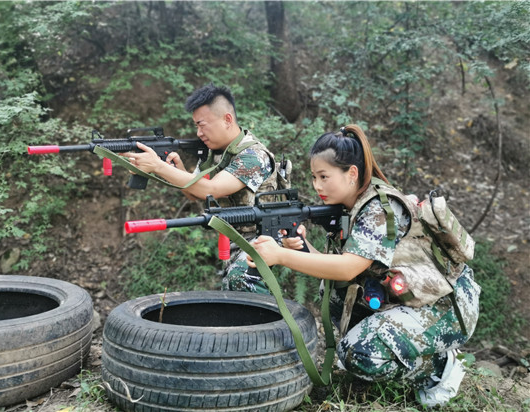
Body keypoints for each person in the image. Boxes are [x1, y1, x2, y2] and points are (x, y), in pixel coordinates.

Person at [246, 124, 481, 406]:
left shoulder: (379, 208)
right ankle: (381, 347)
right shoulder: (350, 206)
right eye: (313, 177)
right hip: (407, 295)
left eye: (324, 177)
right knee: (333, 293)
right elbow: (339, 266)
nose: (317, 186)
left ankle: (439, 368)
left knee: (360, 354)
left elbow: (347, 268)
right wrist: (302, 248)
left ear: (352, 173)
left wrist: (280, 256)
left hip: (446, 305)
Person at [124, 83, 278, 293]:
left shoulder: (253, 156)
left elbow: (211, 189)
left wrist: (158, 166)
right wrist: (173, 168)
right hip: (236, 240)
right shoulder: (215, 153)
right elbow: (193, 193)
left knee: (240, 281)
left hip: (264, 240)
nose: (198, 133)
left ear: (227, 119)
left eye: (202, 125)